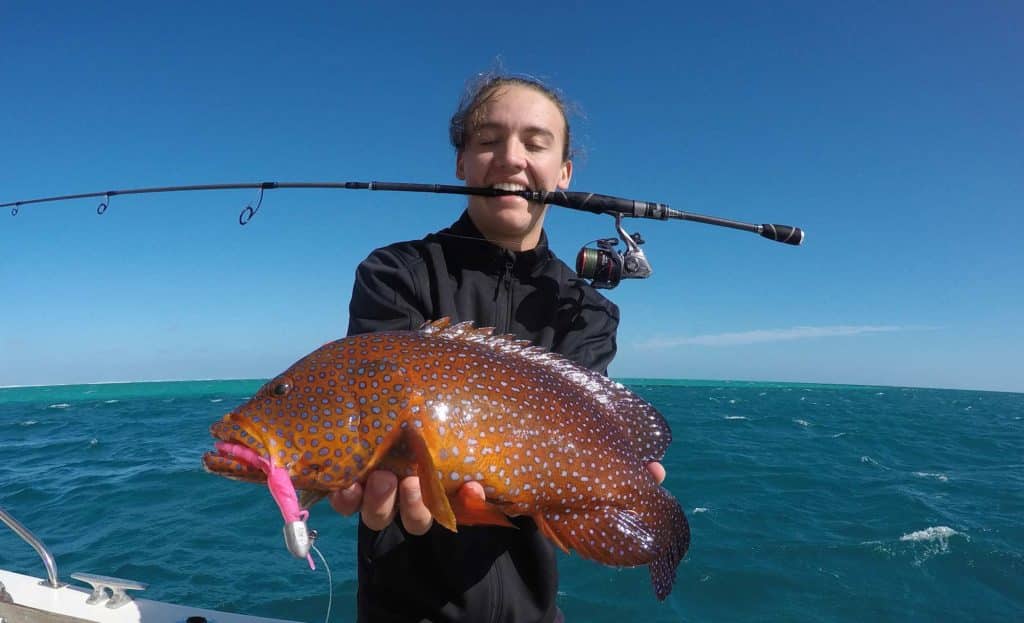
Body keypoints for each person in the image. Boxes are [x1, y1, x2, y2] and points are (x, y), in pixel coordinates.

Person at [329, 73, 665, 623]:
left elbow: (575, 427)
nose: (510, 158)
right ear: (461, 162)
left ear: (564, 173)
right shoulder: (396, 273)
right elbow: (373, 416)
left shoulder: (588, 310)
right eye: (487, 140)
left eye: (535, 143)